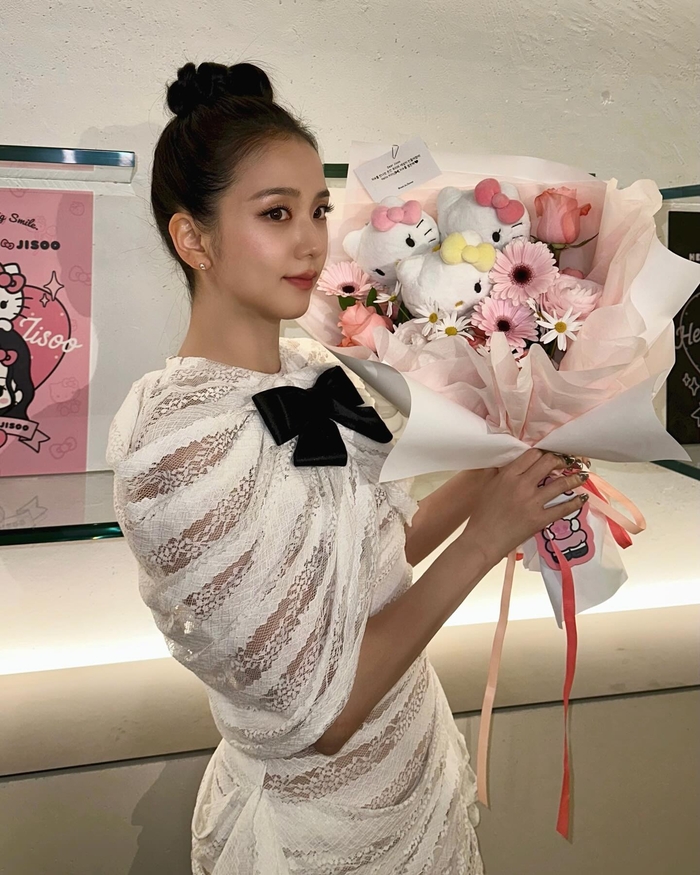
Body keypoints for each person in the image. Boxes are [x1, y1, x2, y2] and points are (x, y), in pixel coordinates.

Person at [106, 61, 589, 875]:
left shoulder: (314, 371)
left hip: (415, 782)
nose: (310, 240)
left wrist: (498, 473)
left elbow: (371, 556)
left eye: (318, 209)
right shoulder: (179, 443)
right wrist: (484, 541)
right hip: (311, 836)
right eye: (276, 213)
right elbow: (320, 713)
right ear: (193, 239)